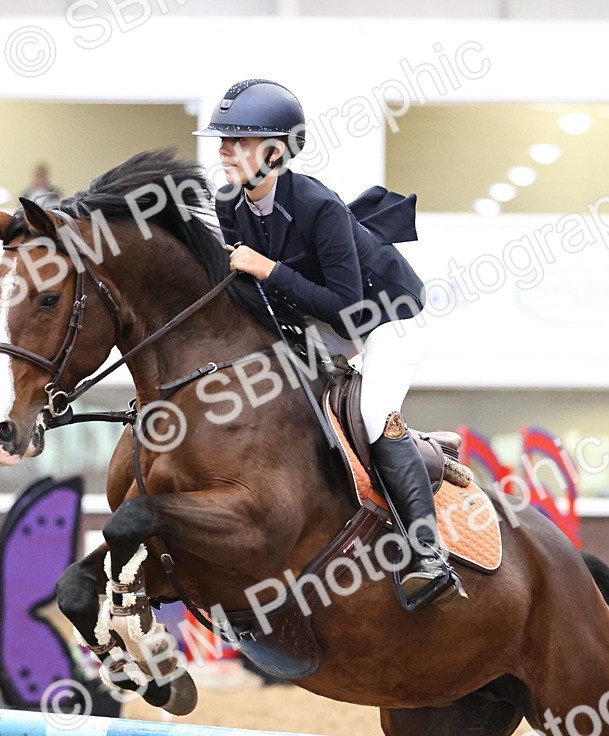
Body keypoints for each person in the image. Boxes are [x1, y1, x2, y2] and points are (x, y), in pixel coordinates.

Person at [193, 79, 459, 610]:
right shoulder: (230, 205)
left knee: (371, 410)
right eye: (221, 138)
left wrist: (268, 270)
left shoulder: (319, 207)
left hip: (386, 316)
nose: (222, 149)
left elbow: (344, 305)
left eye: (235, 140)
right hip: (322, 317)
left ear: (274, 152)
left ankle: (429, 554)